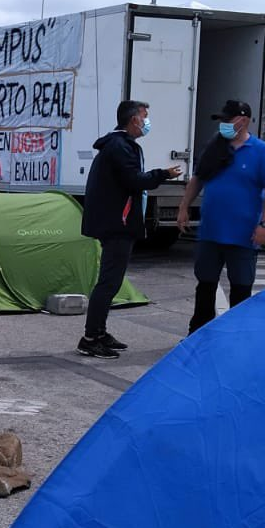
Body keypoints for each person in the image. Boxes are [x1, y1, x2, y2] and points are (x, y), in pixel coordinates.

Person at [77, 99, 181, 359]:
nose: (147, 122)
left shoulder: (119, 145)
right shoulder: (120, 147)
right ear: (133, 119)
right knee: (108, 282)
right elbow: (134, 181)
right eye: (145, 116)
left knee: (111, 281)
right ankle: (90, 338)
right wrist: (163, 174)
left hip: (115, 222)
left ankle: (99, 332)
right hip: (116, 224)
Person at [176, 100, 265, 334]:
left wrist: (264, 224)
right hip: (211, 232)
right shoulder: (215, 148)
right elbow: (198, 179)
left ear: (243, 120)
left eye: (228, 119)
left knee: (241, 289)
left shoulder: (261, 151)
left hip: (244, 235)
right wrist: (184, 206)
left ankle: (237, 336)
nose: (223, 124)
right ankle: (199, 333)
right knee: (205, 285)